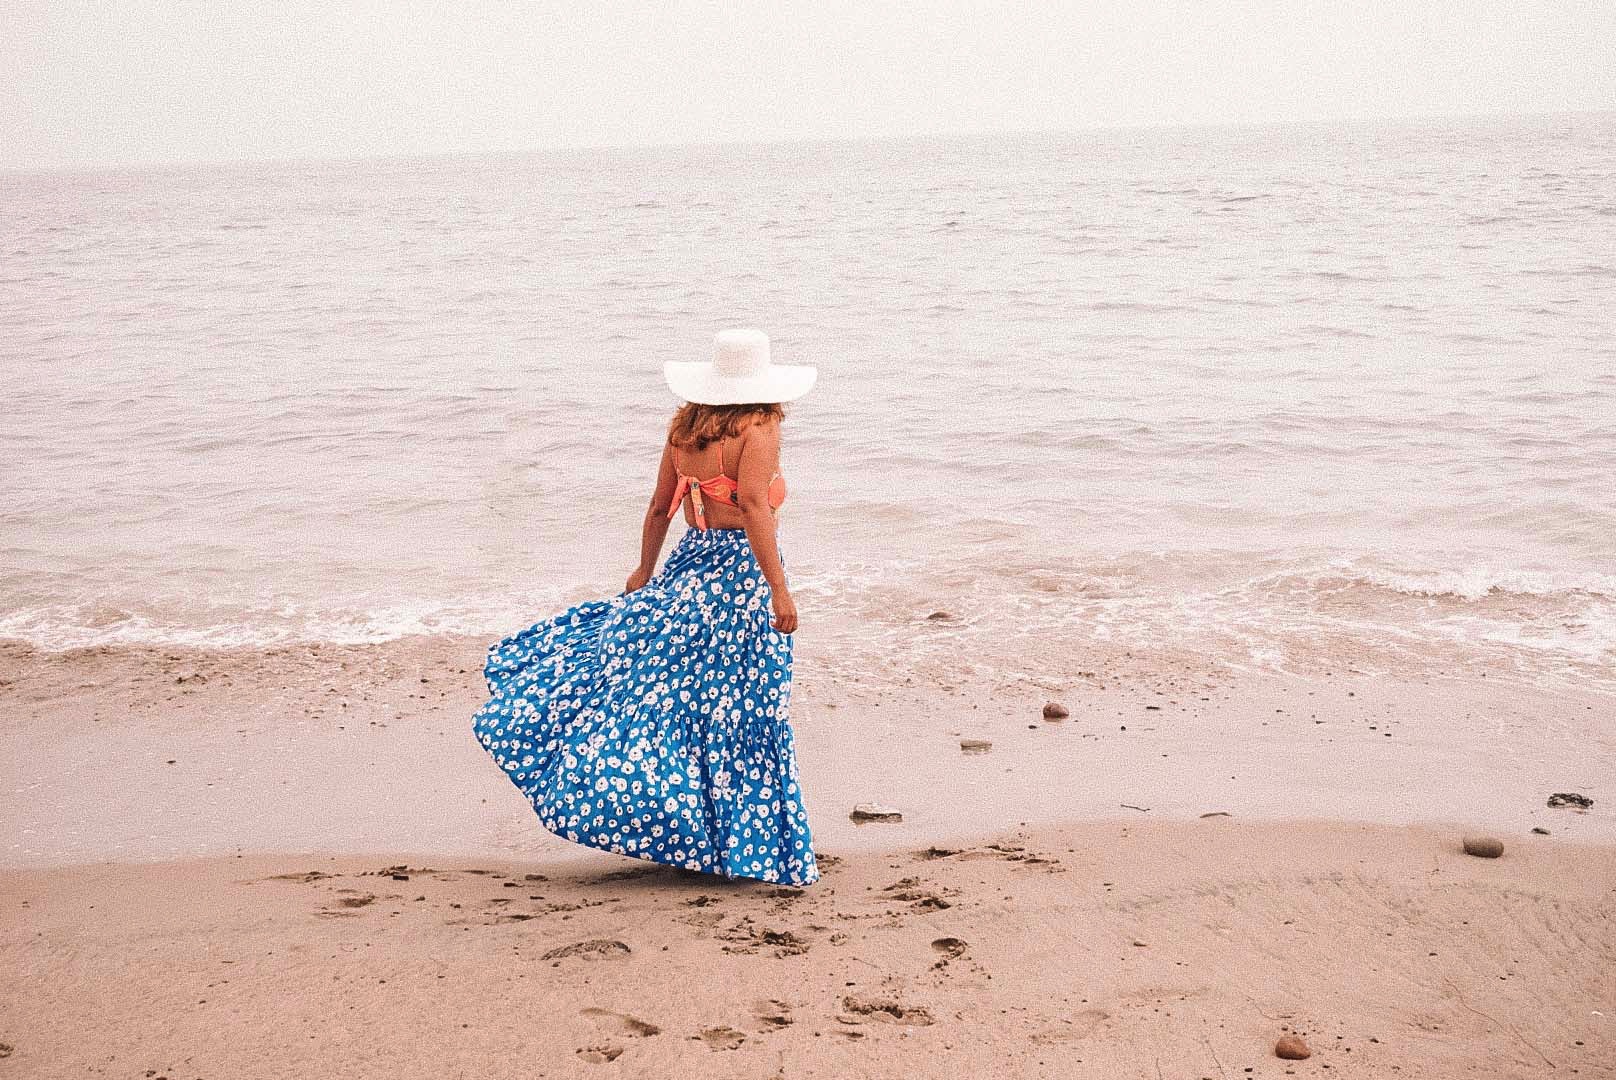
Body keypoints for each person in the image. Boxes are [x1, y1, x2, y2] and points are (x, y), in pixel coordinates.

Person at [472, 329, 820, 886]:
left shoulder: (684, 431)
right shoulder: (761, 429)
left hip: (689, 563)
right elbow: (754, 506)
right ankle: (744, 847)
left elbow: (661, 507)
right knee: (745, 708)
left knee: (674, 700)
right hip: (739, 580)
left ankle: (691, 835)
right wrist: (778, 588)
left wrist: (645, 571)